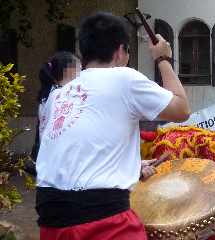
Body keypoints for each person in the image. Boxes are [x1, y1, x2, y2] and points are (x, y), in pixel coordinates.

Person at [35, 12, 190, 240]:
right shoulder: (123, 78)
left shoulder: (60, 94)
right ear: (120, 51)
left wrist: (131, 167)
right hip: (102, 220)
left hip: (51, 220)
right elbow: (181, 109)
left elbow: (76, 152)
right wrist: (163, 59)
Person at [27, 52, 81, 176]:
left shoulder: (49, 93)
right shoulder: (61, 96)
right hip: (60, 162)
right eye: (79, 69)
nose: (81, 74)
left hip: (49, 158)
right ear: (69, 71)